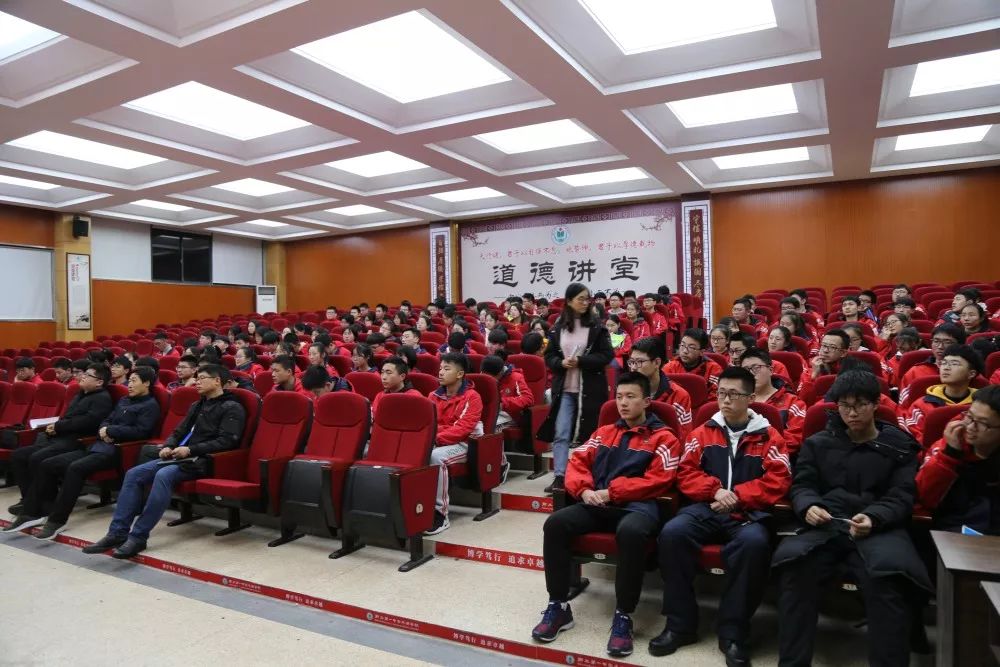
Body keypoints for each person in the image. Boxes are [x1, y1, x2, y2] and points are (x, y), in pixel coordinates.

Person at [772, 371, 930, 666]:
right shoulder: (818, 443)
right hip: (826, 525)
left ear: (876, 404)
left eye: (860, 405)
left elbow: (902, 495)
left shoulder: (899, 447)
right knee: (796, 572)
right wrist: (809, 506)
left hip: (878, 528)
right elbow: (802, 485)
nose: (852, 413)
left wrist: (874, 517)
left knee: (887, 582)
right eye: (844, 405)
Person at [533, 372, 681, 658]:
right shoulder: (604, 432)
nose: (623, 403)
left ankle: (624, 614)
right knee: (556, 524)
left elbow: (659, 480)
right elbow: (578, 462)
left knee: (631, 532)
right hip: (598, 502)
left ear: (646, 401)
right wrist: (585, 490)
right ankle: (558, 606)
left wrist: (612, 492)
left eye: (631, 397)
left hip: (639, 506)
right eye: (619, 397)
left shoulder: (664, 437)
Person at [651, 367, 790, 664]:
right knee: (673, 534)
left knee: (754, 544)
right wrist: (714, 491)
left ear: (751, 398)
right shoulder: (703, 432)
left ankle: (733, 633)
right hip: (706, 506)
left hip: (748, 512)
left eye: (733, 394)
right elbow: (685, 472)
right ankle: (680, 625)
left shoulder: (769, 436)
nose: (725, 400)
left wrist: (737, 496)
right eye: (721, 393)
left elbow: (778, 480)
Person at [82, 365, 246, 558]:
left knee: (163, 475)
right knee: (134, 474)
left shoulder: (232, 407)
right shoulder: (197, 405)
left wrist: (191, 449)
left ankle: (138, 537)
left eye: (202, 378)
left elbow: (227, 441)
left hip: (205, 460)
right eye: (197, 378)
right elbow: (179, 431)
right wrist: (169, 445)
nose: (197, 382)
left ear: (217, 381)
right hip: (181, 456)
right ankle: (117, 533)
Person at [6, 366, 161, 538]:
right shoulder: (124, 400)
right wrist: (104, 429)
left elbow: (142, 431)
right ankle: (37, 511)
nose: (129, 385)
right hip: (96, 446)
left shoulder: (150, 406)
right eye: (129, 380)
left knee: (75, 468)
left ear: (146, 383)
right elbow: (106, 420)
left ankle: (57, 520)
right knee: (47, 464)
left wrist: (111, 431)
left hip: (117, 451)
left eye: (134, 381)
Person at [5, 363, 114, 531]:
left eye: (87, 375)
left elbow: (87, 423)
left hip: (76, 440)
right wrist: (54, 426)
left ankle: (39, 507)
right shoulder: (80, 394)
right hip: (59, 437)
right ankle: (30, 501)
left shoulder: (102, 399)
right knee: (18, 455)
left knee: (37, 458)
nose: (82, 377)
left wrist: (58, 427)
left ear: (99, 382)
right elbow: (68, 417)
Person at [536, 283, 614, 494]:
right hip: (564, 389)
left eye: (587, 298)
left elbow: (607, 355)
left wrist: (581, 361)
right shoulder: (558, 328)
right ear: (569, 301)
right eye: (581, 298)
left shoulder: (597, 327)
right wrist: (560, 363)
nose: (585, 302)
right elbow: (550, 356)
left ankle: (588, 475)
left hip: (590, 389)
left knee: (589, 434)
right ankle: (560, 476)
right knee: (561, 433)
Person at [915, 384, 1000, 533]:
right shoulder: (950, 443)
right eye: (969, 416)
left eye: (983, 423)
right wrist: (949, 454)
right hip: (951, 528)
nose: (971, 427)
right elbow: (923, 497)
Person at [425, 353, 484, 535]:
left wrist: (434, 439)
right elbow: (427, 423)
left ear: (460, 374)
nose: (441, 372)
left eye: (446, 369)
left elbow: (462, 429)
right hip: (438, 441)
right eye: (440, 368)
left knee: (435, 457)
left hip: (464, 444)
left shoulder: (472, 397)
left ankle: (440, 514)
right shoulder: (433, 395)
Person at [898, 344, 982, 445]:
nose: (946, 368)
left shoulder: (981, 406)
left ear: (971, 373)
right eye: (944, 363)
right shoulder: (921, 405)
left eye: (954, 364)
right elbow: (912, 442)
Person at [627, 337, 692, 436]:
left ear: (657, 363)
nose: (633, 368)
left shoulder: (679, 396)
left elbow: (683, 438)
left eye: (639, 362)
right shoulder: (624, 390)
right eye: (631, 362)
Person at [899, 323, 966, 404]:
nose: (940, 346)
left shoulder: (967, 372)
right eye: (936, 341)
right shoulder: (914, 372)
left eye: (947, 342)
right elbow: (905, 406)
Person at [740, 348, 800, 429]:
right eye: (745, 370)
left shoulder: (791, 402)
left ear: (771, 370)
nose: (750, 374)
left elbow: (795, 434)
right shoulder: (737, 399)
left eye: (756, 368)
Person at [663, 328, 724, 401]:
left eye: (691, 347)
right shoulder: (670, 367)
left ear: (701, 352)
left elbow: (714, 399)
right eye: (682, 345)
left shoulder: (713, 369)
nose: (685, 351)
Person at [481, 354, 533, 430]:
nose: (486, 380)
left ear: (500, 373)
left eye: (490, 377)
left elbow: (528, 399)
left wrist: (502, 403)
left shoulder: (516, 377)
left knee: (488, 428)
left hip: (508, 415)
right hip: (488, 412)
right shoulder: (483, 376)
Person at [798, 329, 850, 398]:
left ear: (843, 353)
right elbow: (803, 399)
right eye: (824, 345)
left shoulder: (851, 372)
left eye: (832, 347)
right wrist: (813, 376)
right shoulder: (810, 370)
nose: (825, 351)